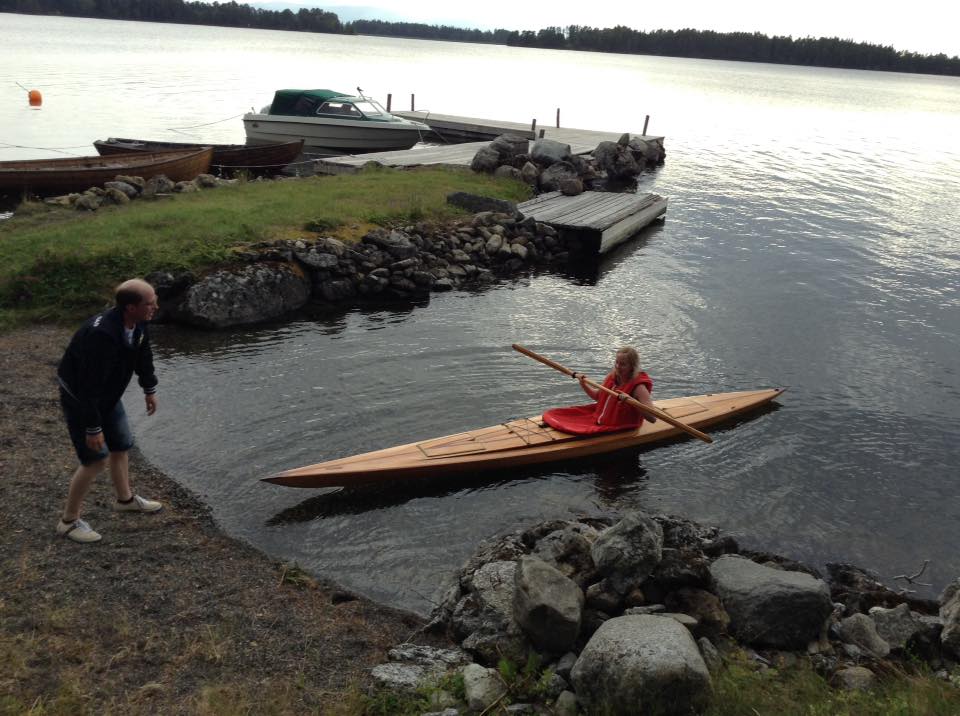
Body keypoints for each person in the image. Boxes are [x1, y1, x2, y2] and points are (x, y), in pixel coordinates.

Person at [55, 278, 163, 543]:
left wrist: (149, 388)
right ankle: (68, 522)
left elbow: (143, 354)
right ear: (130, 307)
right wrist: (93, 427)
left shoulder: (139, 323)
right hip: (81, 399)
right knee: (95, 459)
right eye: (149, 303)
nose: (155, 307)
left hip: (107, 395)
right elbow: (87, 386)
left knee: (121, 445)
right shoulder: (101, 335)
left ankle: (125, 500)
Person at [542, 346, 656, 435]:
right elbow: (597, 396)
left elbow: (652, 418)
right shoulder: (613, 377)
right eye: (617, 362)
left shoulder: (639, 387)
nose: (618, 367)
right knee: (553, 414)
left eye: (623, 364)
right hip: (599, 418)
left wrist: (631, 400)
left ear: (632, 366)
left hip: (621, 426)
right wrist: (583, 384)